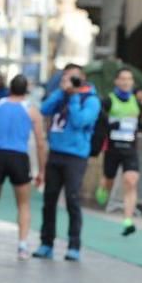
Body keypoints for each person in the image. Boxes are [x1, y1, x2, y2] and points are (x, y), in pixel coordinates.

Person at [32, 63, 101, 261]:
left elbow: (80, 121)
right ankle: (46, 243)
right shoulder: (60, 95)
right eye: (65, 77)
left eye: (72, 78)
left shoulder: (91, 100)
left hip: (76, 156)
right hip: (55, 153)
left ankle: (74, 245)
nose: (67, 81)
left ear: (82, 79)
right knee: (49, 200)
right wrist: (61, 92)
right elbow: (44, 109)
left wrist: (74, 97)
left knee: (72, 200)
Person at [0, 75, 46, 259]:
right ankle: (22, 245)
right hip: (18, 157)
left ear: (9, 88)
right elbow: (40, 142)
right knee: (23, 203)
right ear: (26, 90)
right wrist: (42, 171)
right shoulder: (31, 110)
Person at [95, 68, 142, 236]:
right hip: (112, 148)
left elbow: (141, 118)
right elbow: (99, 120)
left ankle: (128, 220)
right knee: (109, 179)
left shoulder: (137, 100)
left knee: (130, 181)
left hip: (130, 148)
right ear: (116, 81)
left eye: (129, 79)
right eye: (122, 79)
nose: (125, 82)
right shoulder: (109, 100)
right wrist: (110, 125)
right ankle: (103, 188)